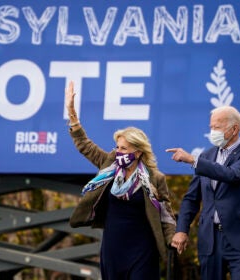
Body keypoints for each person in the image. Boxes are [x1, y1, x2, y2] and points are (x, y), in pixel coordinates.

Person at [65, 81, 176, 279]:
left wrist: (173, 239)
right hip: (113, 248)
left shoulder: (155, 178)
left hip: (143, 250)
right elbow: (84, 144)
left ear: (138, 152)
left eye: (124, 149)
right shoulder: (109, 166)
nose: (118, 152)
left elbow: (166, 215)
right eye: (117, 147)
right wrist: (72, 113)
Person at [166, 105, 240, 280]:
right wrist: (182, 229)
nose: (212, 132)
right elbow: (191, 198)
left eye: (216, 127)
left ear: (234, 129)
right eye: (211, 127)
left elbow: (231, 174)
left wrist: (191, 159)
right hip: (210, 239)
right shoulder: (206, 156)